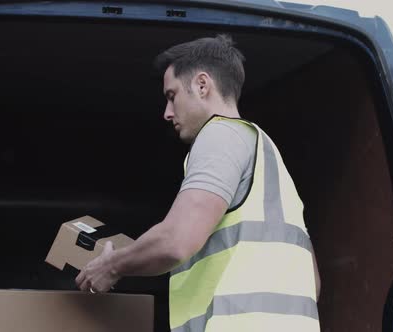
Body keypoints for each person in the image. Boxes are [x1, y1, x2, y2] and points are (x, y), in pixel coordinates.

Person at [75, 34, 321, 332]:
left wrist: (111, 265)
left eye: (172, 96)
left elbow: (176, 240)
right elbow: (313, 282)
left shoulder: (220, 135)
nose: (167, 113)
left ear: (202, 85)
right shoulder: (273, 165)